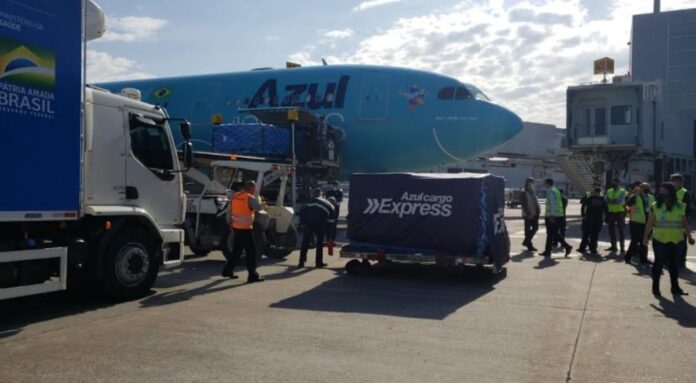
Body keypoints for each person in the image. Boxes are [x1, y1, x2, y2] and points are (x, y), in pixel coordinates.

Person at [643, 182, 693, 297]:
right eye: (660, 191)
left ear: (670, 192)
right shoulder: (656, 206)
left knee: (674, 265)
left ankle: (675, 288)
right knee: (658, 263)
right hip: (660, 239)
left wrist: (689, 236)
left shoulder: (680, 206)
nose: (661, 194)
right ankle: (655, 288)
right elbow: (650, 223)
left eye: (664, 191)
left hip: (677, 240)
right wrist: (645, 237)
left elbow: (684, 222)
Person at [224, 180, 264, 283]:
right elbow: (259, 208)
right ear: (251, 188)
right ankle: (252, 276)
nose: (254, 190)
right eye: (254, 189)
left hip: (237, 228)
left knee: (236, 251)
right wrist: (261, 203)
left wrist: (230, 223)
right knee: (251, 252)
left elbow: (229, 211)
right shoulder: (249, 198)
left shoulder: (235, 196)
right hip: (246, 229)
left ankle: (227, 271)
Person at [299, 188, 335, 268]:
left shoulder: (308, 202)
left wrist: (303, 224)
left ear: (314, 194)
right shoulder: (329, 205)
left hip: (308, 223)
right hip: (320, 225)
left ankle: (301, 262)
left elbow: (302, 213)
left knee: (305, 243)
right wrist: (329, 237)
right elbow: (331, 223)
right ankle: (318, 263)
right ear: (321, 194)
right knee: (319, 243)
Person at [541, 178, 573, 257]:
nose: (544, 185)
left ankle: (566, 246)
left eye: (545, 183)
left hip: (552, 216)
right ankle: (548, 250)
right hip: (557, 215)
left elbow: (553, 203)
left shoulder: (551, 191)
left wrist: (552, 215)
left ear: (548, 183)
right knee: (552, 233)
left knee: (552, 233)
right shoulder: (556, 190)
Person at [625, 183, 654, 264]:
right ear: (640, 188)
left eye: (647, 187)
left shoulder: (651, 197)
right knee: (634, 241)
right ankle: (628, 257)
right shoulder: (636, 196)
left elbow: (654, 208)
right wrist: (634, 194)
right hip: (636, 222)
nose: (646, 189)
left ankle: (644, 258)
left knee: (644, 241)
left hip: (647, 222)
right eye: (644, 187)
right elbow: (629, 204)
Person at [670, 173, 691, 268]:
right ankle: (671, 259)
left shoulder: (684, 192)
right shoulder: (670, 191)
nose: (673, 183)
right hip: (670, 220)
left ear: (680, 182)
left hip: (680, 220)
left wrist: (685, 221)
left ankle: (681, 261)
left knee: (681, 241)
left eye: (674, 181)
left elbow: (687, 209)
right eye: (672, 181)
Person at [578, 187, 606, 254]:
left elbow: (583, 205)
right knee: (594, 235)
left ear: (594, 191)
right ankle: (593, 249)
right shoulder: (602, 199)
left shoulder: (590, 198)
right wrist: (604, 218)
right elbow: (606, 209)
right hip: (598, 220)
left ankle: (582, 248)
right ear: (600, 192)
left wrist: (583, 214)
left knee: (586, 234)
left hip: (588, 219)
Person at [605, 178, 627, 254]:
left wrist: (611, 201)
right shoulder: (609, 191)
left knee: (621, 230)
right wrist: (613, 201)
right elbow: (605, 200)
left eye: (615, 182)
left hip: (620, 212)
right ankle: (613, 246)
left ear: (618, 183)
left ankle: (622, 248)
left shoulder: (622, 191)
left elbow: (619, 201)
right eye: (613, 182)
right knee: (611, 230)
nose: (614, 183)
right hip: (611, 212)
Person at [519, 177, 540, 252]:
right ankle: (529, 245)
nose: (532, 184)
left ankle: (526, 241)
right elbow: (524, 205)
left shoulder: (533, 192)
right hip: (528, 215)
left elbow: (535, 203)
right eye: (531, 182)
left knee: (535, 228)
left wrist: (538, 212)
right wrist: (529, 214)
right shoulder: (524, 193)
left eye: (533, 183)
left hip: (534, 213)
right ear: (527, 184)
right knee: (527, 230)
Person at [324, 181, 343, 246]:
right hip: (328, 209)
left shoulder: (340, 192)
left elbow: (340, 199)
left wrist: (335, 201)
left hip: (336, 210)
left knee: (334, 225)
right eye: (334, 185)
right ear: (332, 185)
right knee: (327, 225)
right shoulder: (329, 192)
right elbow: (326, 199)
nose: (335, 186)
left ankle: (333, 240)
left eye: (336, 185)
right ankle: (328, 240)